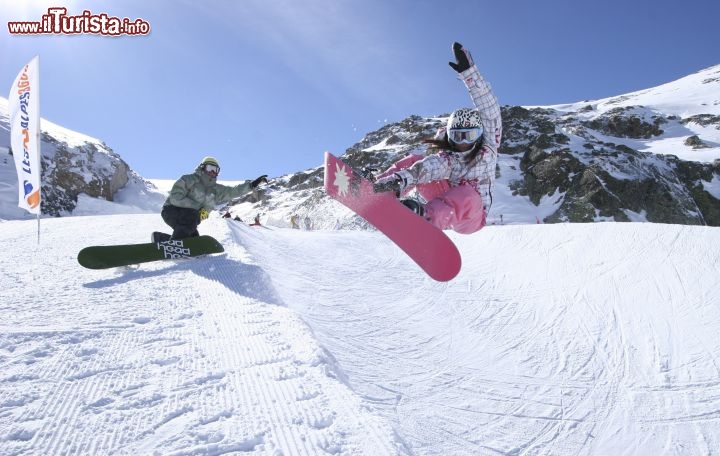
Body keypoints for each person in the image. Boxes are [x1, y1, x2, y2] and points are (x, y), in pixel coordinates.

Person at [372, 42, 502, 234]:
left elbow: (489, 109)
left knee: (467, 195)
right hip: (445, 199)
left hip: (472, 215)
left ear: (480, 134)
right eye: (458, 137)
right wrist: (399, 180)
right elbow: (425, 169)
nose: (464, 142)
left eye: (470, 136)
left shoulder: (489, 144)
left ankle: (426, 219)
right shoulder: (449, 158)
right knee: (416, 162)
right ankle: (382, 187)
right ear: (450, 137)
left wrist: (470, 74)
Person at [158, 156, 267, 240]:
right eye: (210, 168)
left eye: (216, 170)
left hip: (190, 218)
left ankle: (163, 241)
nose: (213, 172)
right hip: (171, 210)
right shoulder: (190, 179)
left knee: (193, 236)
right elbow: (175, 197)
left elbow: (233, 191)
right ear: (202, 168)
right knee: (191, 217)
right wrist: (196, 208)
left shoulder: (215, 190)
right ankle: (176, 245)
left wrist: (252, 185)